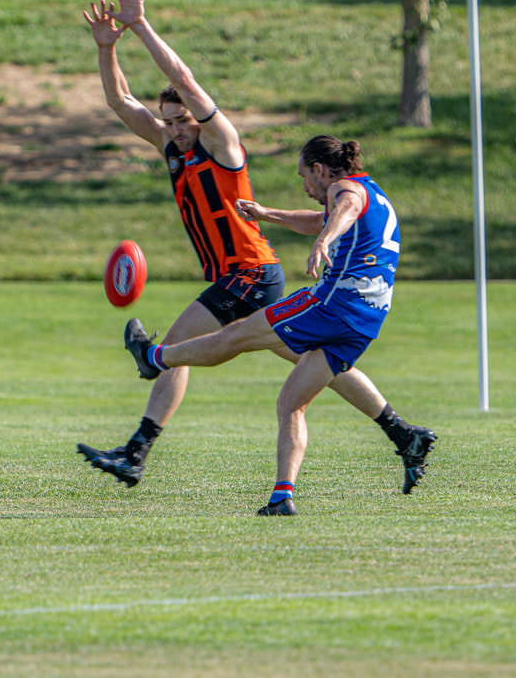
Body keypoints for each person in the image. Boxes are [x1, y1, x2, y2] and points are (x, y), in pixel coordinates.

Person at [121, 134, 437, 515]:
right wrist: (268, 214)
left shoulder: (345, 190)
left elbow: (346, 208)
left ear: (320, 170)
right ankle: (282, 497)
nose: (305, 188)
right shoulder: (373, 191)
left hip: (333, 304)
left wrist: (325, 239)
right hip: (367, 319)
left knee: (235, 335)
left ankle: (154, 357)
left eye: (305, 177)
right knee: (291, 403)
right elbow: (320, 217)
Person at [77, 0, 287, 486]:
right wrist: (108, 50)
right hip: (245, 277)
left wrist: (140, 24)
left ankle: (136, 453)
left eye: (181, 119)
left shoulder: (223, 145)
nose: (173, 127)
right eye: (169, 120)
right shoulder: (172, 148)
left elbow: (183, 75)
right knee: (312, 355)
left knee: (171, 351)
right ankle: (398, 428)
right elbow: (122, 102)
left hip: (249, 272)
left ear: (200, 117)